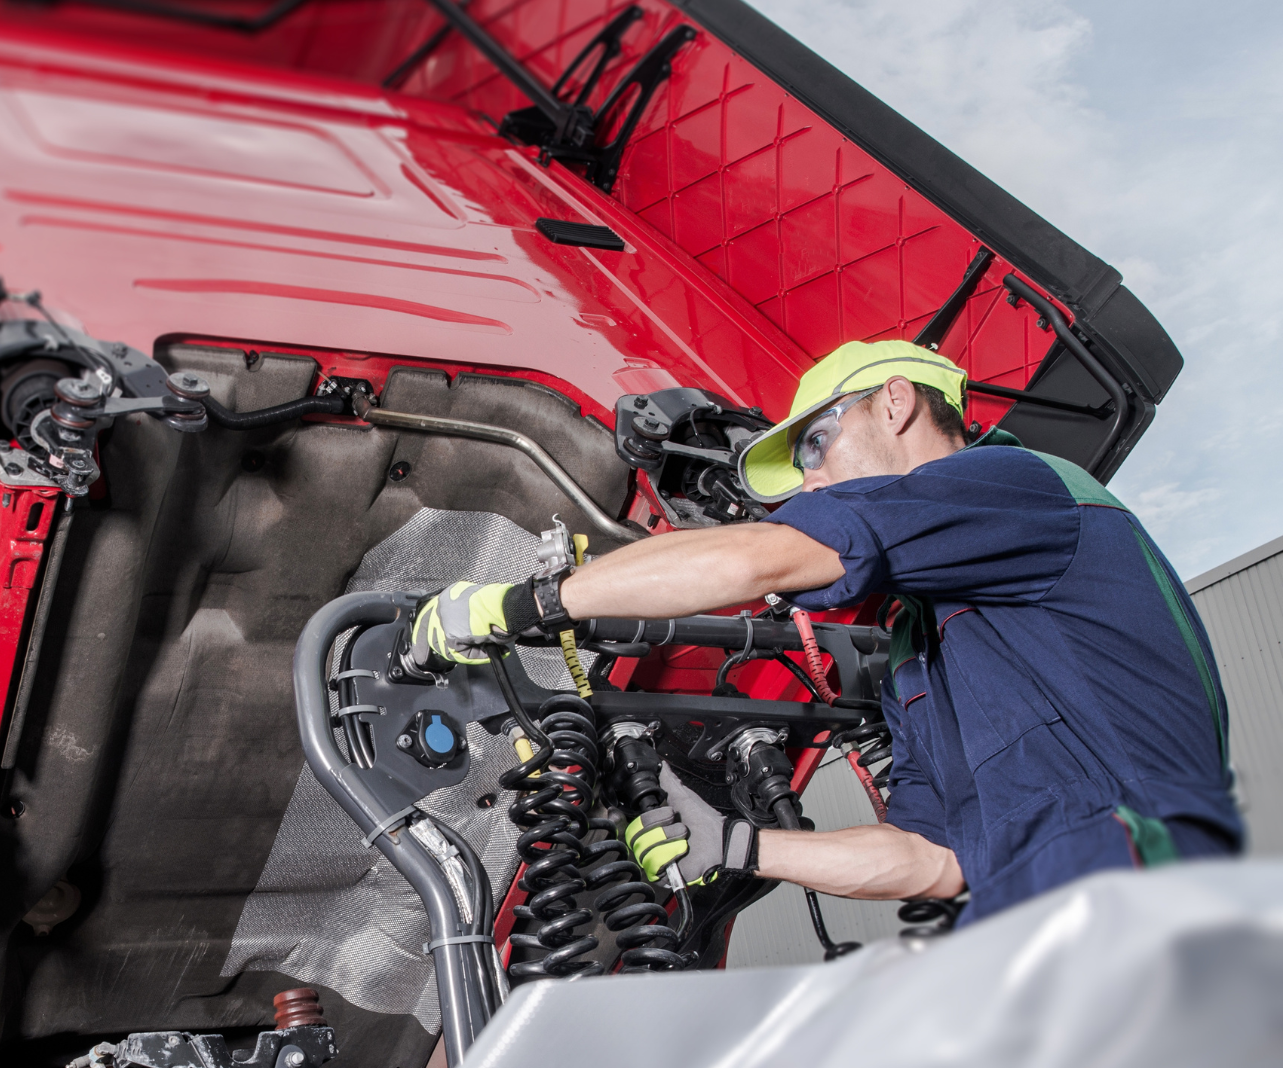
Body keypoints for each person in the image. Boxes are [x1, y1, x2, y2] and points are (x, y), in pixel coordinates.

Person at [414, 340, 1242, 924]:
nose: (810, 478)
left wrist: (520, 605)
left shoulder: (1016, 485)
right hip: (1039, 936)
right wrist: (735, 843)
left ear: (896, 400)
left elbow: (773, 556)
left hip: (1135, 912)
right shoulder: (926, 649)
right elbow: (927, 859)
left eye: (817, 441)